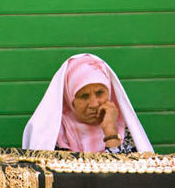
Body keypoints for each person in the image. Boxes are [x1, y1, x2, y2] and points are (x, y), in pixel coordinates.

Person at [22, 53, 153, 154]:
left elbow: (125, 179)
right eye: (84, 96)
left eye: (100, 92)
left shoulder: (124, 131)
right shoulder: (53, 134)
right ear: (69, 99)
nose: (94, 104)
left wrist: (110, 130)